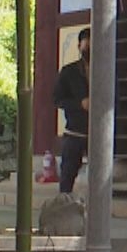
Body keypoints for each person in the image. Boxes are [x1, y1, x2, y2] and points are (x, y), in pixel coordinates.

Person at [53, 28, 90, 196]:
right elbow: (57, 100)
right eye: (86, 45)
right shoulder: (69, 72)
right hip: (74, 132)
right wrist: (79, 104)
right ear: (79, 46)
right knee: (67, 176)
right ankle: (63, 206)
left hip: (97, 133)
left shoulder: (107, 71)